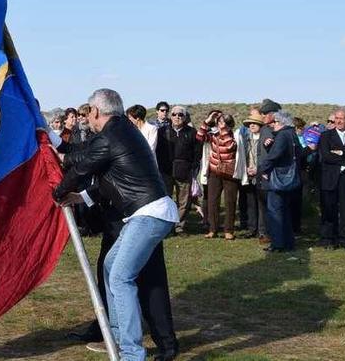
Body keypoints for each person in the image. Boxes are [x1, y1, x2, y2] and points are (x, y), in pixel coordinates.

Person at [53, 88, 178, 361]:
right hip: (145, 213)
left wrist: (58, 191)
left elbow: (83, 166)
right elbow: (107, 176)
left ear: (96, 111)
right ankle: (119, 336)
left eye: (89, 112)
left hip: (149, 214)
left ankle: (133, 353)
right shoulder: (120, 132)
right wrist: (80, 194)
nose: (87, 117)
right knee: (111, 267)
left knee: (121, 277)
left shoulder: (111, 134)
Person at [317, 108, 345, 250]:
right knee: (328, 209)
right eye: (336, 118)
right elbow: (326, 156)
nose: (338, 121)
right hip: (330, 178)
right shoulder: (325, 136)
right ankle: (328, 239)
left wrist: (342, 152)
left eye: (341, 118)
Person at [196, 111, 247, 240]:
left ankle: (228, 230)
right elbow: (199, 137)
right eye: (218, 123)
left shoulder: (234, 136)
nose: (220, 126)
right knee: (212, 201)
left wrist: (223, 129)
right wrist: (207, 121)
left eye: (223, 124)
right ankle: (213, 229)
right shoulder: (214, 135)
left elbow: (229, 146)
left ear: (229, 125)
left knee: (230, 202)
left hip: (230, 173)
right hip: (214, 172)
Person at [256, 110, 301, 252]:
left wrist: (262, 170)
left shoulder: (282, 135)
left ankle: (278, 244)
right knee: (285, 212)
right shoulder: (292, 134)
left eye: (275, 122)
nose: (272, 124)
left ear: (281, 123)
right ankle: (288, 242)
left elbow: (274, 157)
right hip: (290, 179)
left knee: (275, 212)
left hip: (278, 179)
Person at [155, 105, 199, 235]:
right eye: (174, 114)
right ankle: (167, 227)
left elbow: (197, 152)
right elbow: (157, 151)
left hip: (184, 171)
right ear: (170, 116)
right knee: (166, 201)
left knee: (184, 201)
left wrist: (192, 167)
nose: (177, 117)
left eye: (180, 114)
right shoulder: (162, 131)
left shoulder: (192, 132)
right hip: (166, 171)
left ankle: (179, 227)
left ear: (185, 117)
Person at [242, 113, 268, 243]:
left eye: (254, 123)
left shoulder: (266, 140)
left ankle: (262, 231)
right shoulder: (246, 139)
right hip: (248, 174)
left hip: (261, 175)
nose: (251, 125)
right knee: (251, 203)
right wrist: (246, 168)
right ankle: (252, 228)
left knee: (262, 204)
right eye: (249, 124)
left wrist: (258, 169)